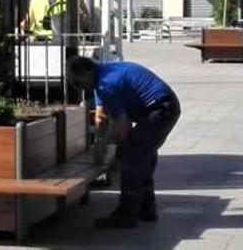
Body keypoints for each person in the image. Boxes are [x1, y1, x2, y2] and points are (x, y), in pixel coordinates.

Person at [67, 56, 181, 229]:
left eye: (79, 82)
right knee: (143, 154)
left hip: (161, 109)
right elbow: (101, 116)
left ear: (87, 72)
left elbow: (123, 126)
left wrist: (111, 152)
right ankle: (146, 208)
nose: (79, 87)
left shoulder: (108, 83)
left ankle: (126, 214)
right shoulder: (102, 77)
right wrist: (99, 145)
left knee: (130, 154)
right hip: (162, 107)